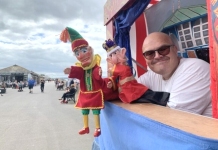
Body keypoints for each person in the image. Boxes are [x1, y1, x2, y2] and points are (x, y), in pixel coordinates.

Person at [60, 27, 118, 137]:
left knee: (96, 110)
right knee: (84, 110)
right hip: (85, 93)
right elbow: (78, 72)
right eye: (77, 53)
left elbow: (97, 76)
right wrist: (70, 70)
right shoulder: (81, 68)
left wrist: (98, 72)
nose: (80, 55)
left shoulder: (95, 65)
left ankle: (98, 128)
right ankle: (86, 127)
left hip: (95, 92)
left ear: (90, 51)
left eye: (84, 51)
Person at [137, 32, 212, 117]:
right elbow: (127, 90)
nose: (157, 56)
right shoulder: (153, 75)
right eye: (150, 53)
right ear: (145, 59)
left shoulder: (194, 69)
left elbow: (172, 120)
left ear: (175, 49)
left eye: (163, 49)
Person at [103, 39, 170, 106]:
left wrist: (112, 70)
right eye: (111, 55)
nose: (112, 57)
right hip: (127, 87)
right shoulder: (118, 66)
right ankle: (163, 98)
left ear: (121, 53)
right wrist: (111, 82)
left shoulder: (120, 67)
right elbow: (114, 77)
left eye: (114, 53)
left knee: (143, 94)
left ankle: (164, 98)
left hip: (130, 86)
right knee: (143, 95)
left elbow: (118, 71)